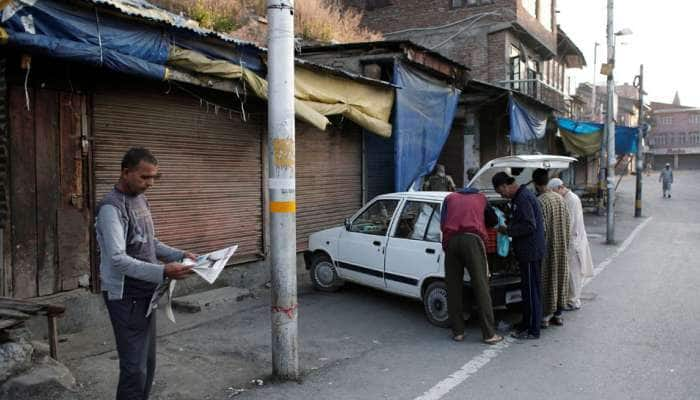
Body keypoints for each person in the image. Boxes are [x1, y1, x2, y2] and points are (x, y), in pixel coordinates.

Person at [96, 147, 196, 400]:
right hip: (126, 296)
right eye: (144, 177)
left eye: (154, 178)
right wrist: (163, 270)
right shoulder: (111, 208)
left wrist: (179, 254)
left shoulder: (140, 199)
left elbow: (149, 241)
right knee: (134, 368)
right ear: (125, 172)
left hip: (146, 294)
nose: (150, 183)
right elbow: (117, 259)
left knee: (147, 364)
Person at [440, 187, 504, 345]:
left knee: (453, 286)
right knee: (481, 286)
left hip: (451, 241)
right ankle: (489, 334)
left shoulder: (449, 198)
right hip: (473, 240)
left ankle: (458, 332)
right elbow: (493, 221)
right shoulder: (481, 198)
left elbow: (442, 223)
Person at [492, 172, 545, 340]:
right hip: (526, 252)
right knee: (527, 290)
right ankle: (525, 323)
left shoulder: (523, 199)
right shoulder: (518, 198)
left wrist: (508, 230)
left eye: (501, 193)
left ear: (504, 186)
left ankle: (533, 330)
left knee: (531, 291)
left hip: (530, 252)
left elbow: (530, 225)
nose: (502, 196)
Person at [547, 178, 594, 310]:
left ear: (559, 188)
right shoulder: (568, 197)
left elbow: (570, 222)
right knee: (571, 271)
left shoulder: (571, 199)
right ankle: (571, 298)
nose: (553, 194)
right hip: (574, 239)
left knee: (574, 272)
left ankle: (573, 301)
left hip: (574, 240)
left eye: (554, 191)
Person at [532, 169, 570, 328]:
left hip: (547, 248)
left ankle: (545, 317)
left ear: (535, 183)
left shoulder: (540, 201)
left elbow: (542, 230)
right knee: (560, 278)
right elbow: (568, 222)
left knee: (547, 281)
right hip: (561, 246)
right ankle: (559, 314)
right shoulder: (560, 199)